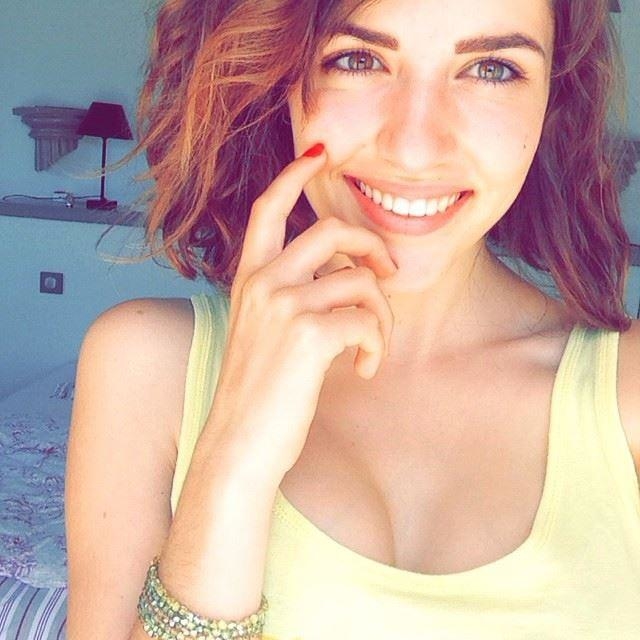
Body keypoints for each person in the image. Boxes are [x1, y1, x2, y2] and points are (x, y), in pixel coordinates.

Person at [65, 0, 640, 638]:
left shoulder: (628, 392)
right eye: (357, 60)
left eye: (492, 70)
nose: (415, 149)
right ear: (279, 82)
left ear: (550, 101)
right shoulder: (144, 365)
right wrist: (234, 455)